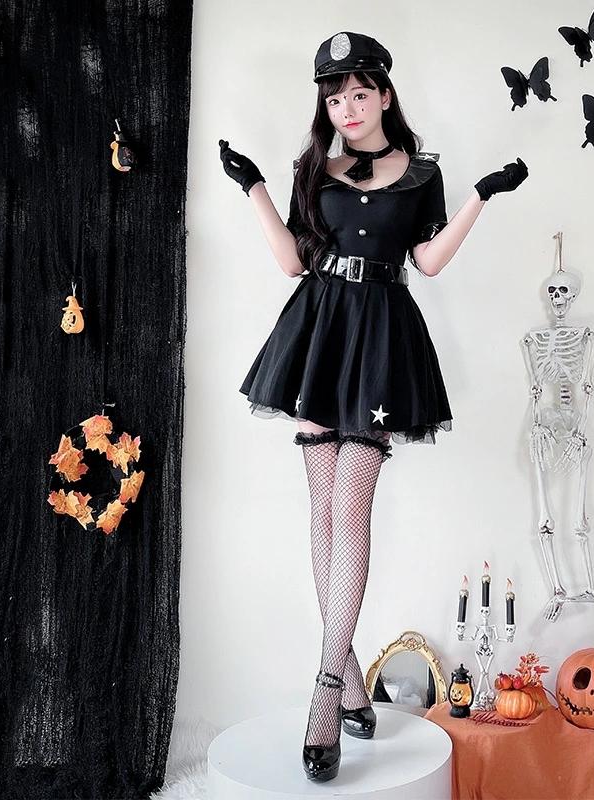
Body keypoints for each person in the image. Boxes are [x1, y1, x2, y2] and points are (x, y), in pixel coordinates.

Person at [219, 30, 528, 782]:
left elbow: (427, 261)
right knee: (323, 513)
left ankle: (327, 691)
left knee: (351, 510)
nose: (348, 109)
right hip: (319, 330)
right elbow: (293, 261)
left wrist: (482, 196)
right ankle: (351, 676)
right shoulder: (314, 169)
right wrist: (255, 187)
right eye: (335, 99)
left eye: (360, 94)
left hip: (381, 336)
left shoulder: (421, 173)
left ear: (385, 95)